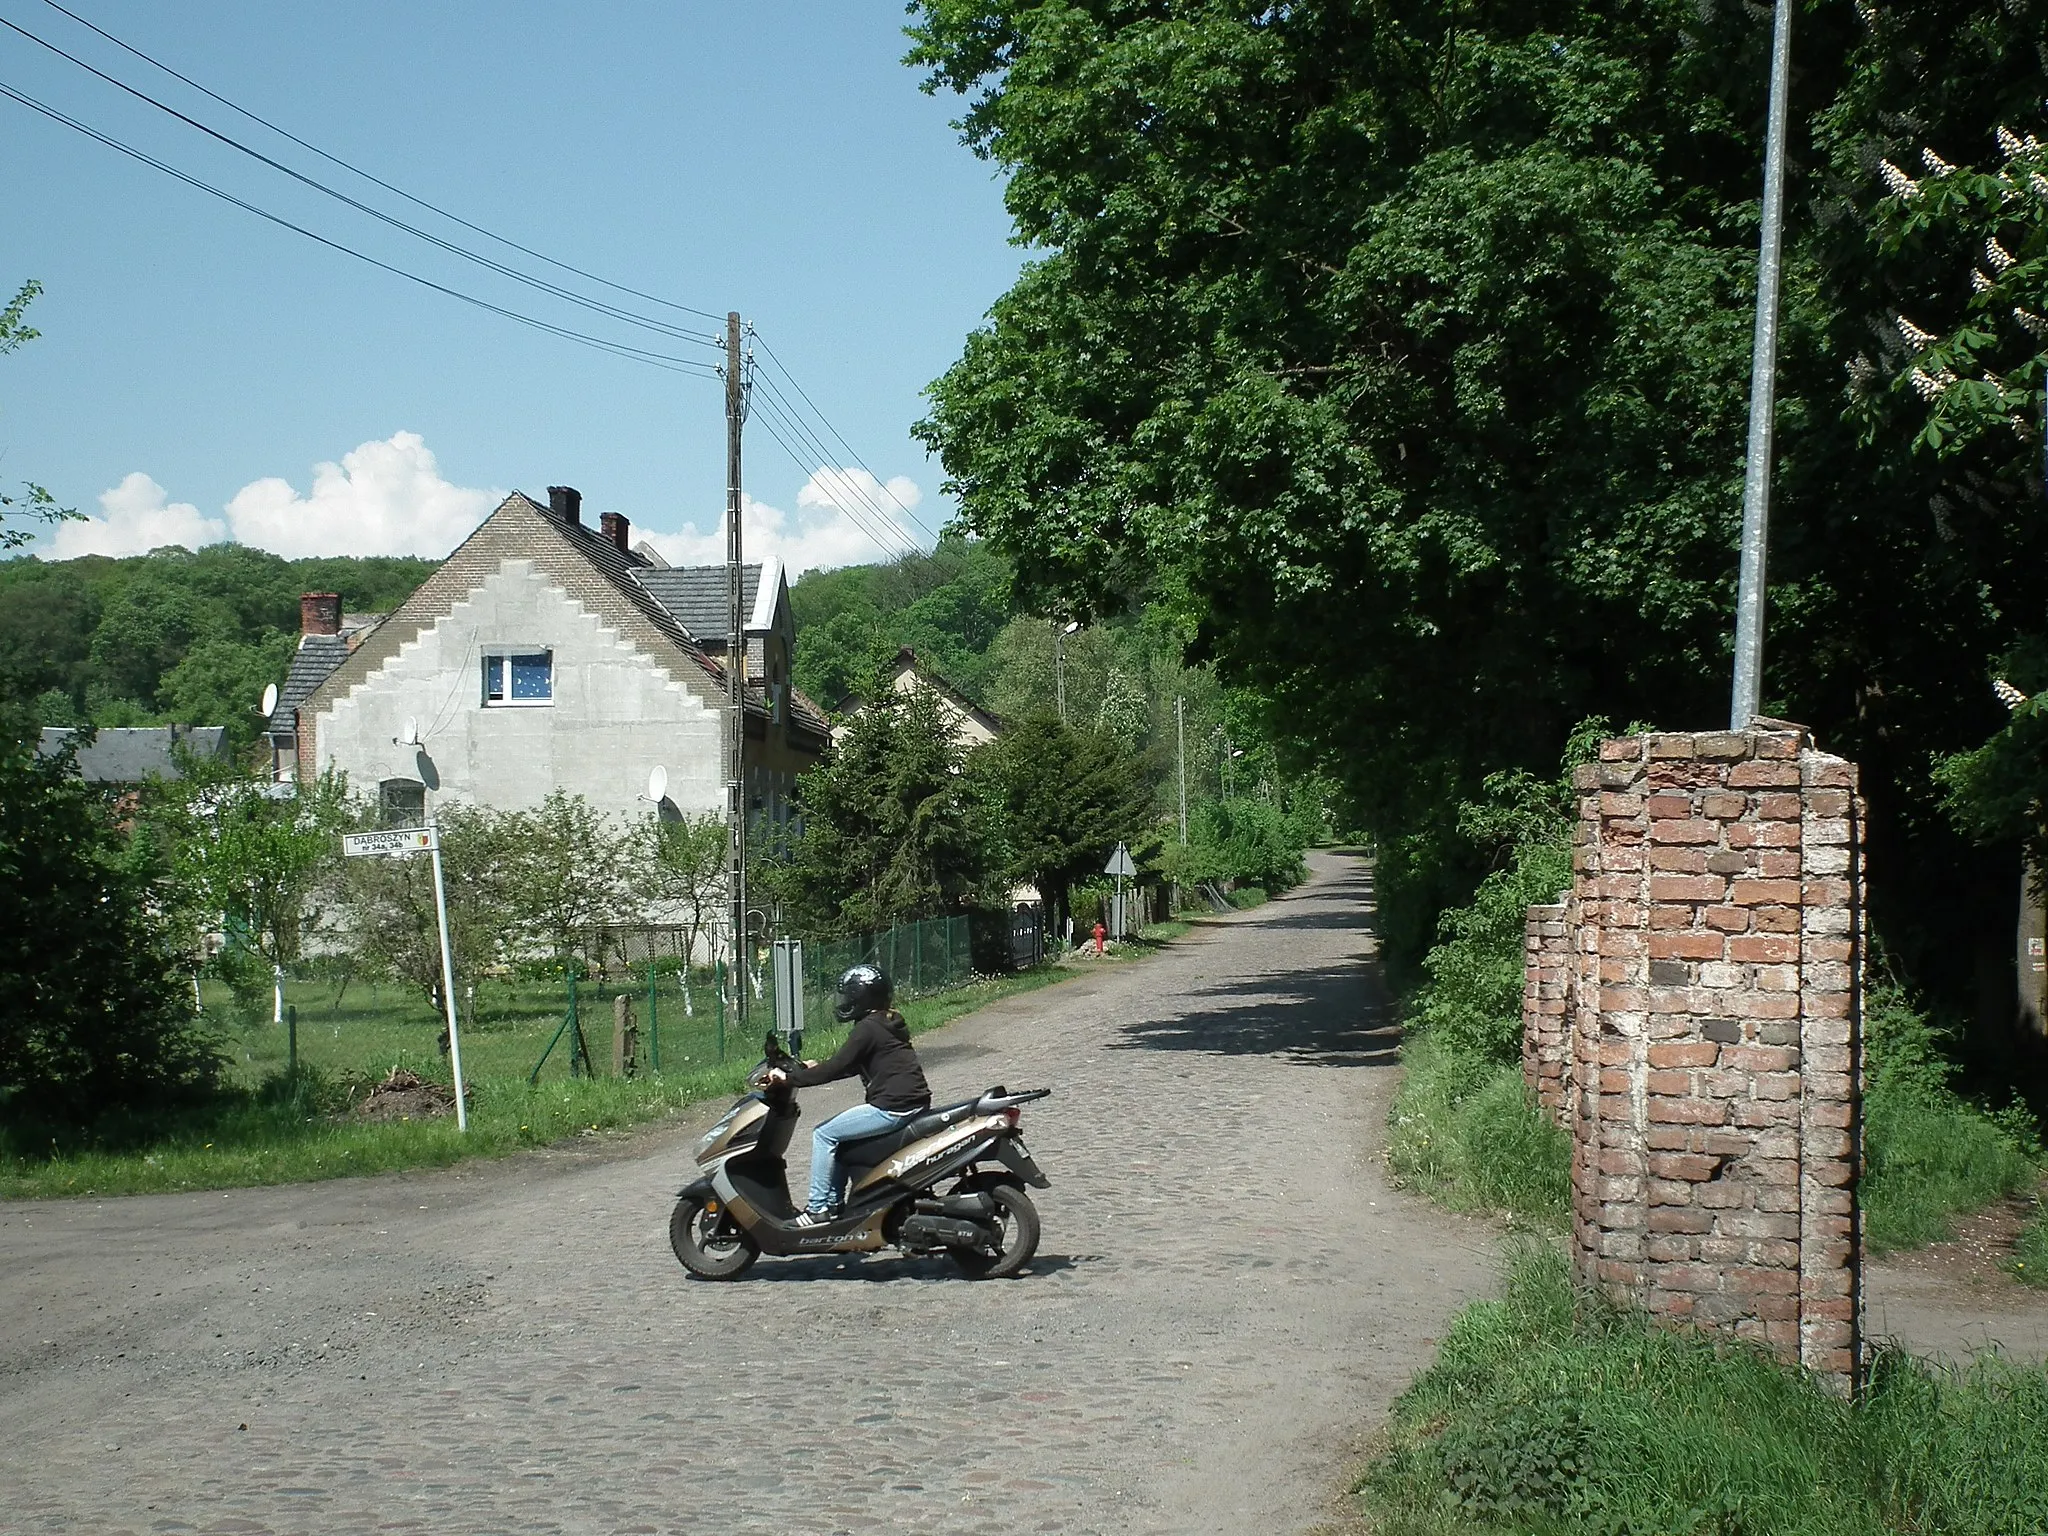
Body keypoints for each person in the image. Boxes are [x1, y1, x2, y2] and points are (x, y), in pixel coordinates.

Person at [768, 963, 931, 1225]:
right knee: (842, 1139)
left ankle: (817, 1208)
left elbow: (838, 1067)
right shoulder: (885, 1022)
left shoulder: (867, 1029)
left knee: (824, 1133)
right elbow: (849, 1064)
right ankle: (834, 1205)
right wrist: (815, 1068)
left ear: (863, 997)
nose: (844, 1001)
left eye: (849, 996)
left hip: (892, 1107)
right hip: (910, 1102)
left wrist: (789, 1078)